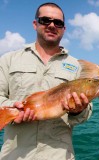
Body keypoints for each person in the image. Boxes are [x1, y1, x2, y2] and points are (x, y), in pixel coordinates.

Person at [0, 3, 92, 160]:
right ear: (35, 24)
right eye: (45, 20)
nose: (51, 25)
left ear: (64, 28)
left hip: (59, 155)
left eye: (58, 23)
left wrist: (79, 110)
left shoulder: (77, 66)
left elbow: (87, 112)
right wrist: (13, 108)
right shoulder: (8, 59)